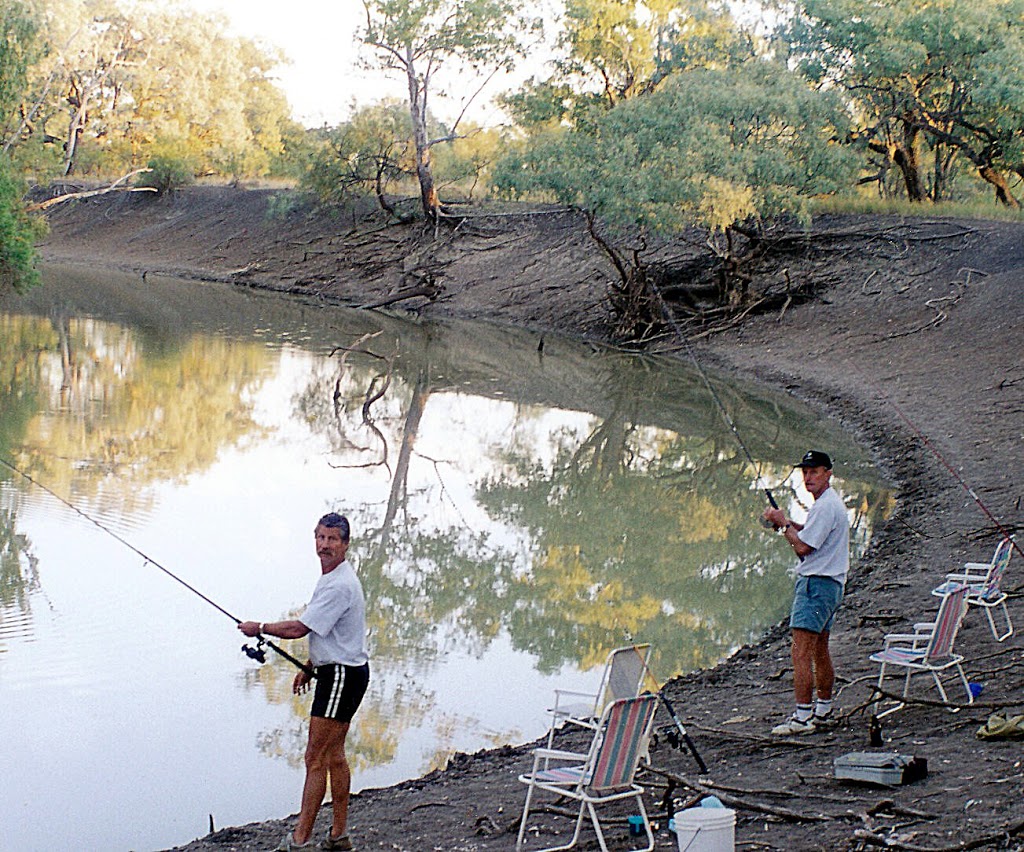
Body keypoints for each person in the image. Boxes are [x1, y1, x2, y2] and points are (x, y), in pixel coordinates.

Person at [239, 512, 369, 851]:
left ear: (345, 544)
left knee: (315, 758)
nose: (324, 546)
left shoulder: (339, 584)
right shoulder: (331, 578)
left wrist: (261, 627)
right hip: (343, 671)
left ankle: (299, 841)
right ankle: (339, 836)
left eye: (332, 540)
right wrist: (312, 666)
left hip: (341, 676)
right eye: (320, 538)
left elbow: (300, 629)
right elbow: (336, 633)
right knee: (335, 755)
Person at [762, 450, 850, 736]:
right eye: (805, 472)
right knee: (819, 649)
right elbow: (811, 535)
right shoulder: (828, 504)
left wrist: (784, 523)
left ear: (828, 473)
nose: (808, 477)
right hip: (830, 586)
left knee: (800, 652)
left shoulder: (826, 506)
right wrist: (787, 523)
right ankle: (823, 710)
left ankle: (802, 717)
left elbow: (802, 548)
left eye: (814, 471)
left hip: (816, 586)